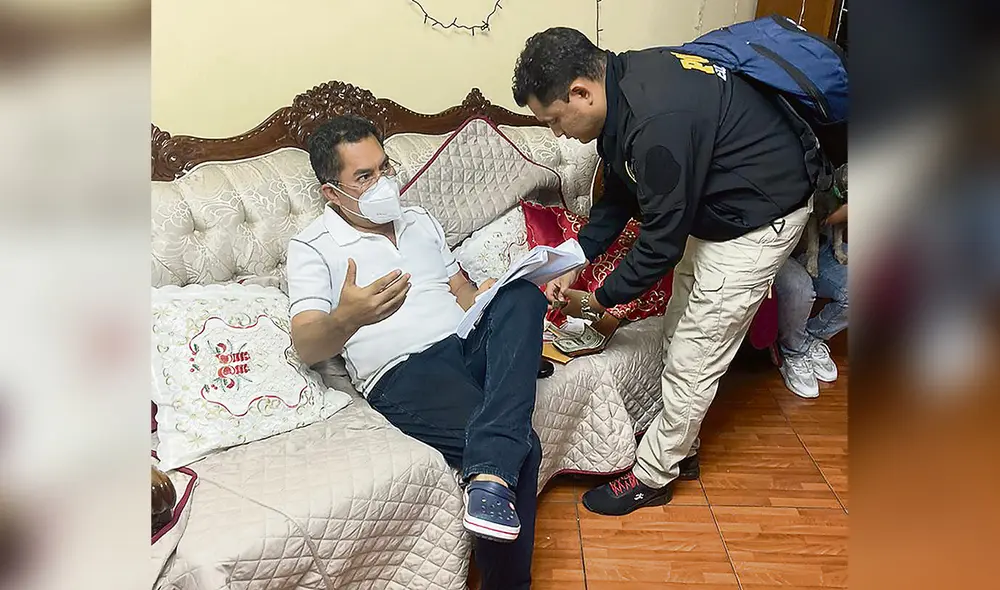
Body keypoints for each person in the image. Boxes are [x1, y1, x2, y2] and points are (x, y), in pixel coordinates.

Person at [512, 28, 818, 516]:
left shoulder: (657, 119)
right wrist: (571, 260)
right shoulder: (622, 92)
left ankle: (654, 476)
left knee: (696, 353)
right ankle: (681, 446)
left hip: (758, 217)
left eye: (553, 120)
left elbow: (659, 241)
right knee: (678, 330)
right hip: (714, 209)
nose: (556, 133)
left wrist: (597, 301)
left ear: (580, 92)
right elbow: (619, 199)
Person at [286, 115, 546, 589]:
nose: (384, 183)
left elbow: (461, 289)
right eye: (364, 177)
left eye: (385, 168)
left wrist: (494, 292)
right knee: (522, 446)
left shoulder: (420, 219)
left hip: (464, 343)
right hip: (404, 370)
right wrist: (348, 317)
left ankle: (486, 472)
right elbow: (306, 344)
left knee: (524, 297)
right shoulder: (311, 246)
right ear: (332, 192)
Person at [774, 204, 848, 398]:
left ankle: (811, 339)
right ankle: (794, 350)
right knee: (800, 289)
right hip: (775, 247)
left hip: (822, 241)